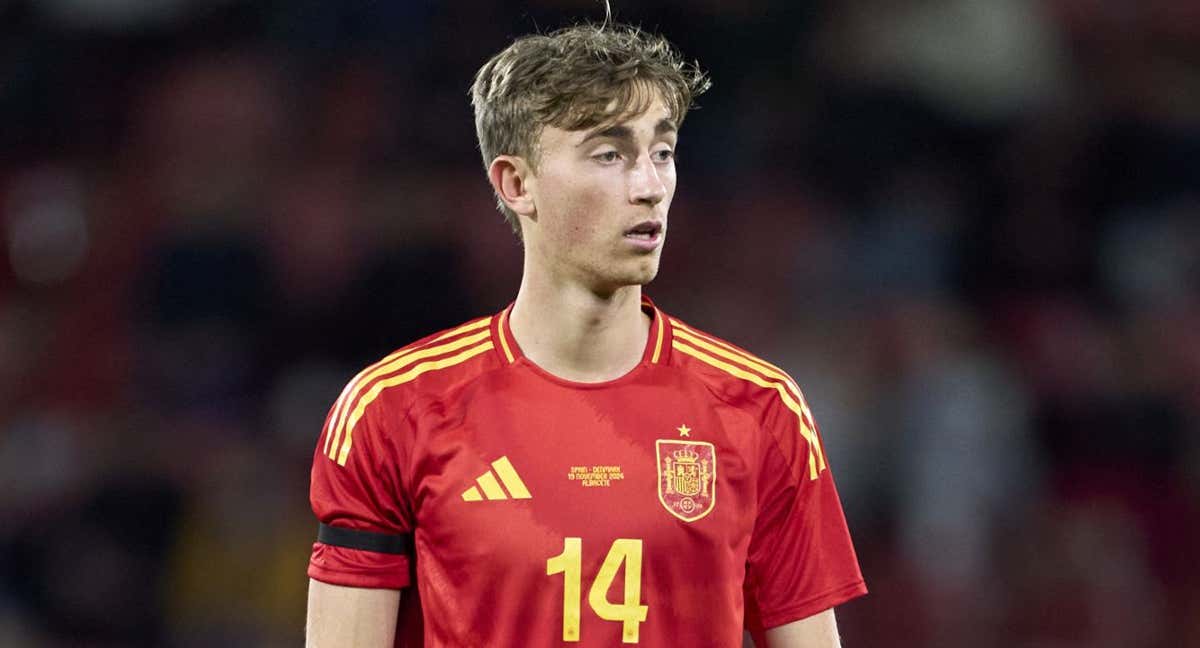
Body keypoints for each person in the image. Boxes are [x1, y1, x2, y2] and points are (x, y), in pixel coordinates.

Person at [305, 21, 866, 647]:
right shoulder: (392, 412)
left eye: (662, 151)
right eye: (610, 154)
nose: (650, 186)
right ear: (516, 184)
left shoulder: (761, 409)